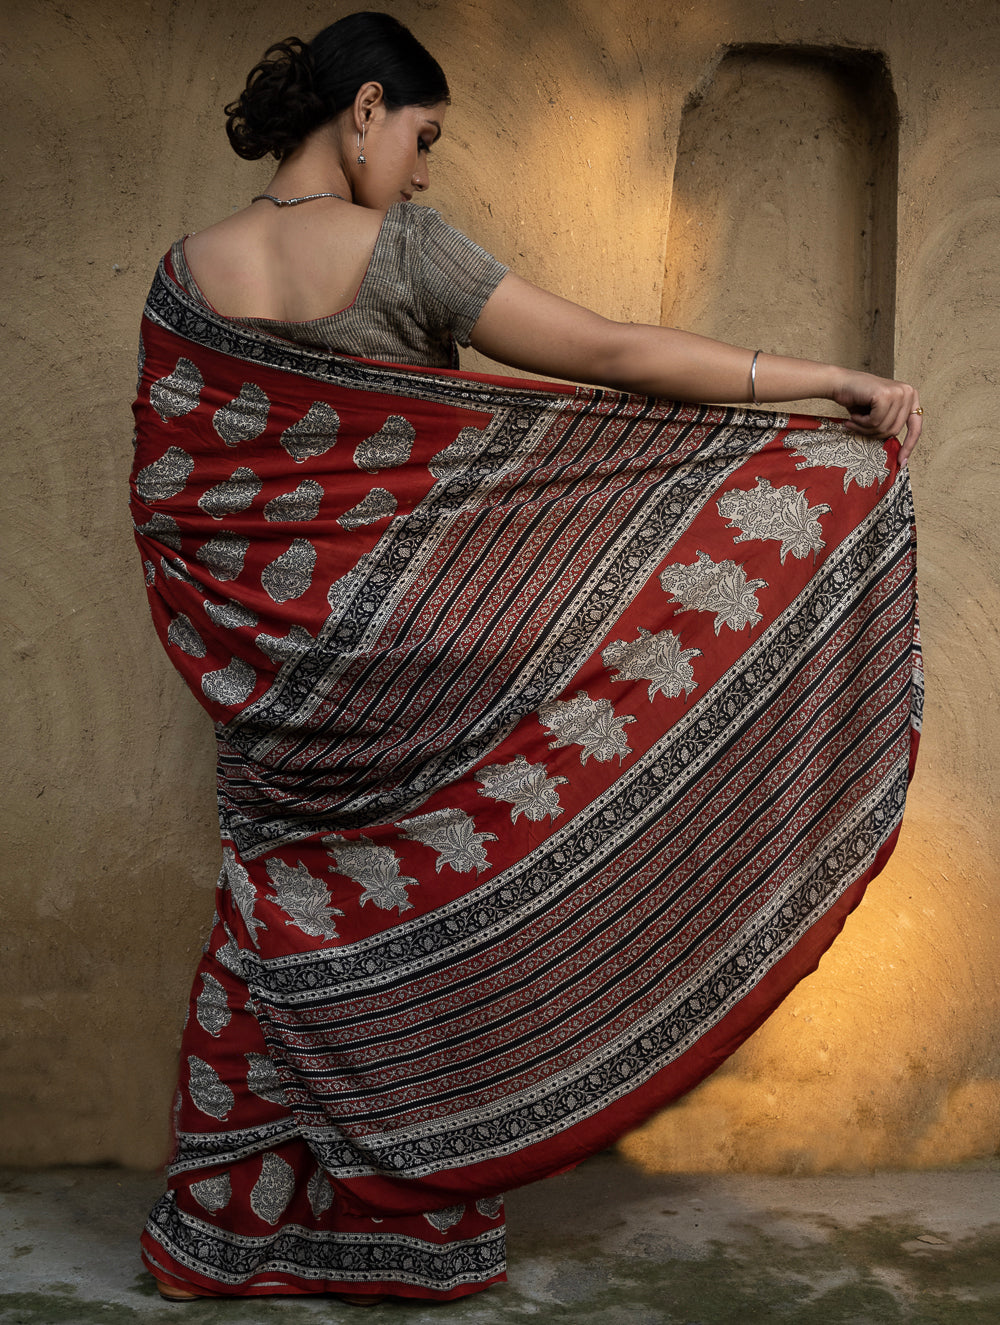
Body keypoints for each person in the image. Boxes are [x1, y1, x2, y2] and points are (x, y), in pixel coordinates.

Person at [131, 11, 923, 1306]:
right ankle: (411, 1229)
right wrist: (817, 384)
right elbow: (607, 355)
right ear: (368, 109)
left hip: (276, 682)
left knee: (274, 916)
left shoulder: (184, 279)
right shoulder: (405, 250)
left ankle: (232, 1231)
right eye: (426, 137)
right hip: (428, 669)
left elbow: (174, 495)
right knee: (425, 917)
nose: (428, 171)